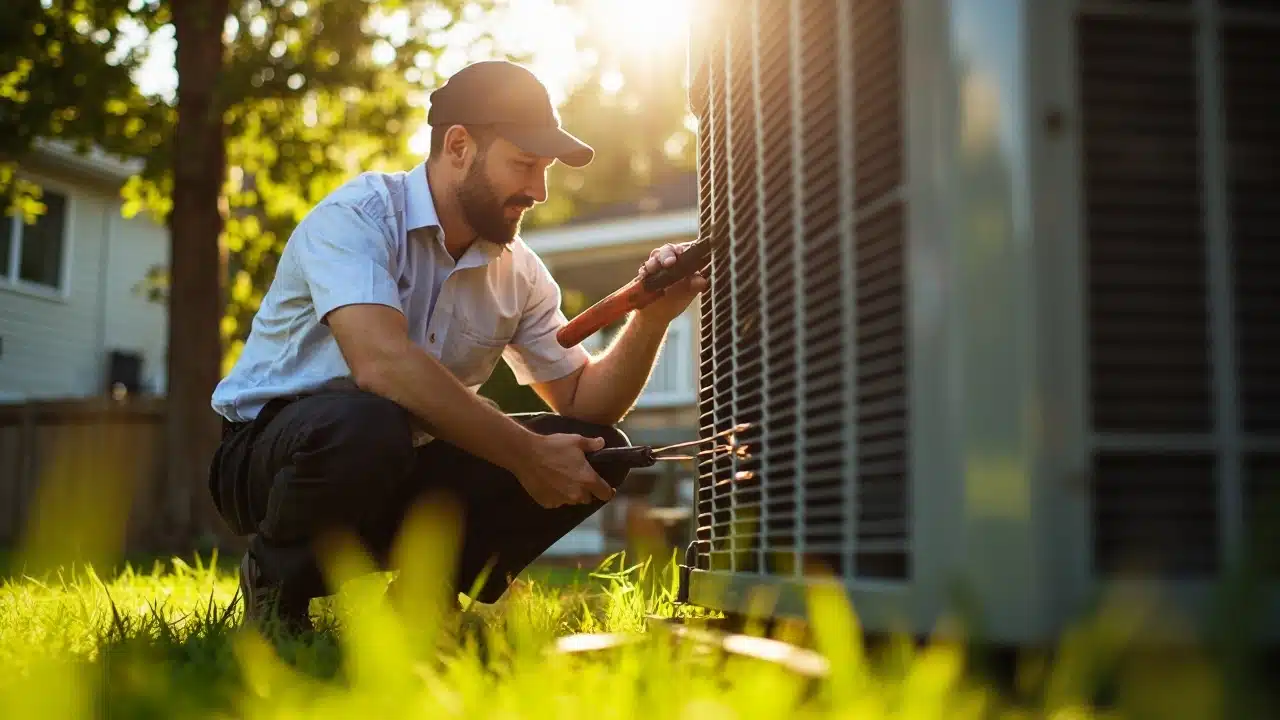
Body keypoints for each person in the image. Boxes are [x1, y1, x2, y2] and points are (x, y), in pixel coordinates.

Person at [207, 60, 707, 633]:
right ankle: (278, 587)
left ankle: (420, 602)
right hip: (271, 461)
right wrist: (526, 454)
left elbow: (584, 403)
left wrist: (652, 317)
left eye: (544, 171)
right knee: (369, 422)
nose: (539, 191)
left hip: (396, 461)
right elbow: (382, 366)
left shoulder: (518, 272)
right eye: (524, 164)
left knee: (597, 449)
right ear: (459, 146)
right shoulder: (357, 218)